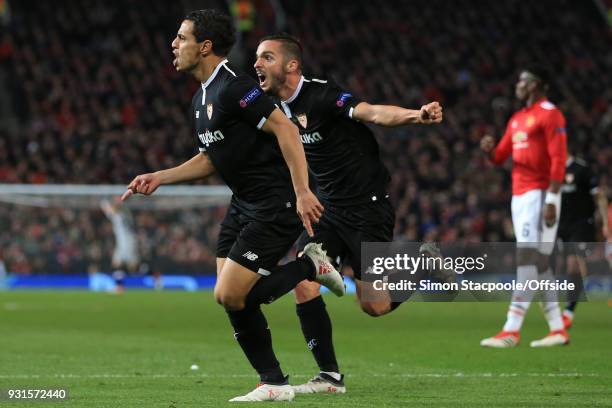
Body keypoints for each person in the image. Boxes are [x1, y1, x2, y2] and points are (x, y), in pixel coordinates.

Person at [121, 10, 346, 402]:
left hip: (275, 203)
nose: (174, 45)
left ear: (204, 46)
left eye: (181, 38)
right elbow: (211, 158)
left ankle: (312, 266)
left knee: (233, 294)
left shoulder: (234, 87)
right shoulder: (200, 98)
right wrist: (160, 176)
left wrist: (302, 192)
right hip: (244, 203)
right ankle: (273, 381)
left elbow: (286, 127)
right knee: (227, 295)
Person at [254, 34, 444, 393]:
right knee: (304, 283)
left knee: (374, 307)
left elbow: (371, 112)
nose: (257, 65)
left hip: (367, 208)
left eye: (266, 57)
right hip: (326, 209)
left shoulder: (324, 95)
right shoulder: (275, 109)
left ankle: (423, 264)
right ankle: (330, 376)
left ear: (291, 66)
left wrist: (415, 116)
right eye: (257, 58)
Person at [480, 67, 569, 348]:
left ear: (537, 84)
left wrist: (553, 199)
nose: (518, 85)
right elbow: (501, 156)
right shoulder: (517, 119)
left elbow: (558, 157)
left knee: (527, 259)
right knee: (540, 263)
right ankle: (557, 328)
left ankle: (512, 328)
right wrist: (490, 150)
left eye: (523, 80)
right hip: (520, 196)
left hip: (540, 193)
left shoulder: (549, 113)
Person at [557, 144, 609, 328]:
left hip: (581, 224)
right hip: (561, 225)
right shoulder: (553, 170)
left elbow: (599, 196)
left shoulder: (582, 169)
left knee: (573, 264)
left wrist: (604, 223)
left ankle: (568, 311)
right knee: (562, 266)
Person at [100, 198, 141, 293]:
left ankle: (151, 278)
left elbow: (110, 211)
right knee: (119, 263)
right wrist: (105, 203)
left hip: (127, 243)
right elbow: (109, 212)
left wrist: (104, 202)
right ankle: (120, 286)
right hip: (123, 242)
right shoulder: (119, 215)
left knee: (129, 265)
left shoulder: (122, 216)